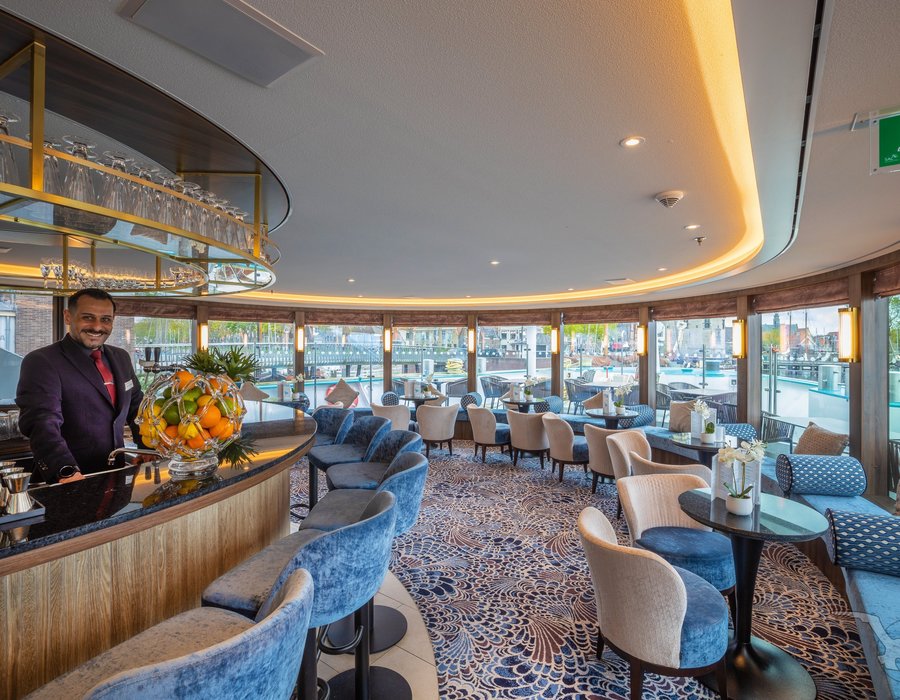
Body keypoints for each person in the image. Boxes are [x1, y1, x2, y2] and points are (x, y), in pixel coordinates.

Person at [16, 288, 145, 484]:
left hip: (116, 478)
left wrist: (147, 448)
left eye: (105, 319)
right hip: (69, 481)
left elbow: (137, 408)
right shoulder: (42, 361)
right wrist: (65, 470)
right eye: (88, 317)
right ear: (68, 316)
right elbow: (42, 422)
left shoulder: (121, 357)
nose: (97, 327)